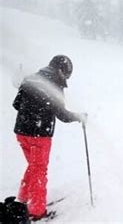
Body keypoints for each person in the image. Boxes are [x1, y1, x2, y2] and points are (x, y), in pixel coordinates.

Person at [12, 55, 87, 220]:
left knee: (33, 166)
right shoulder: (54, 85)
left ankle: (23, 199)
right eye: (67, 75)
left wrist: (29, 113)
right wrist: (79, 117)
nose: (66, 78)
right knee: (39, 170)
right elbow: (62, 115)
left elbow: (16, 104)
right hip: (40, 135)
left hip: (22, 132)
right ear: (61, 71)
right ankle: (37, 211)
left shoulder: (31, 78)